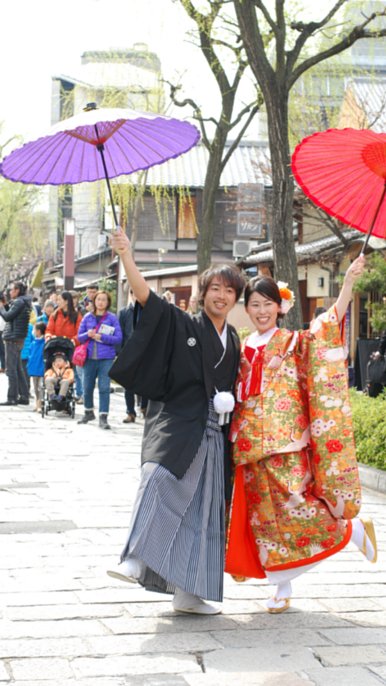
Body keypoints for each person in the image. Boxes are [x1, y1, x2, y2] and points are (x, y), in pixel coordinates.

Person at [225, 260, 378, 613]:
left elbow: (329, 325)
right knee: (264, 516)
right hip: (248, 440)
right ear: (246, 309)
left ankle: (351, 531)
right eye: (254, 305)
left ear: (280, 306)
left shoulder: (294, 340)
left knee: (295, 502)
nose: (261, 311)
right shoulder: (244, 345)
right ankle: (281, 587)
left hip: (285, 438)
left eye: (268, 304)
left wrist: (349, 284)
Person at [106, 227, 245, 615]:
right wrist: (126, 256)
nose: (221, 295)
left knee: (204, 512)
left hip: (215, 436)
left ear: (236, 298)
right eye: (215, 288)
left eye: (229, 290)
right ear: (203, 293)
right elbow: (146, 298)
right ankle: (134, 558)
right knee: (158, 478)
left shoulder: (233, 338)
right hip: (181, 423)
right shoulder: (183, 323)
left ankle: (189, 591)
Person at [76, 291, 122, 430]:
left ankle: (103, 417)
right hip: (89, 358)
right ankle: (88, 412)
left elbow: (118, 338)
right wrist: (87, 334)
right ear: (94, 301)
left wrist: (101, 337)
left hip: (105, 358)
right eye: (98, 299)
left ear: (108, 302)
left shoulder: (112, 318)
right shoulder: (87, 317)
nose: (101, 302)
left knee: (104, 388)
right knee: (87, 387)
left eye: (104, 300)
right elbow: (79, 337)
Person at [46, 291, 83, 404]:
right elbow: (49, 330)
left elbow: (80, 333)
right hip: (56, 348)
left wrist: (74, 340)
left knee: (70, 373)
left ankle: (68, 398)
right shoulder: (55, 315)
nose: (57, 302)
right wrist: (48, 337)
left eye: (59, 300)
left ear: (66, 301)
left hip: (70, 349)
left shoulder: (77, 316)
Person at [1, 282, 33, 406]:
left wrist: (0, 307)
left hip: (13, 339)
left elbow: (7, 317)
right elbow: (13, 314)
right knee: (18, 369)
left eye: (12, 289)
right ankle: (24, 396)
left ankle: (12, 398)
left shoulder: (19, 302)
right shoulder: (22, 301)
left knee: (11, 370)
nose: (10, 292)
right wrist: (4, 304)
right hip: (18, 338)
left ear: (18, 290)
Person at [118, 291, 142, 424]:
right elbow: (120, 332)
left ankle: (144, 407)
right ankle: (130, 412)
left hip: (144, 352)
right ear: (131, 295)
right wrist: (119, 353)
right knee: (128, 384)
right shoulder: (124, 312)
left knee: (144, 381)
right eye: (136, 294)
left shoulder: (148, 310)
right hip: (128, 352)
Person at [27, 322, 46, 411]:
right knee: (35, 387)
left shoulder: (44, 343)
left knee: (40, 387)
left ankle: (40, 404)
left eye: (34, 329)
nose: (33, 331)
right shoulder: (34, 342)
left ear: (38, 331)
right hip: (34, 367)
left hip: (41, 368)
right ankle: (37, 403)